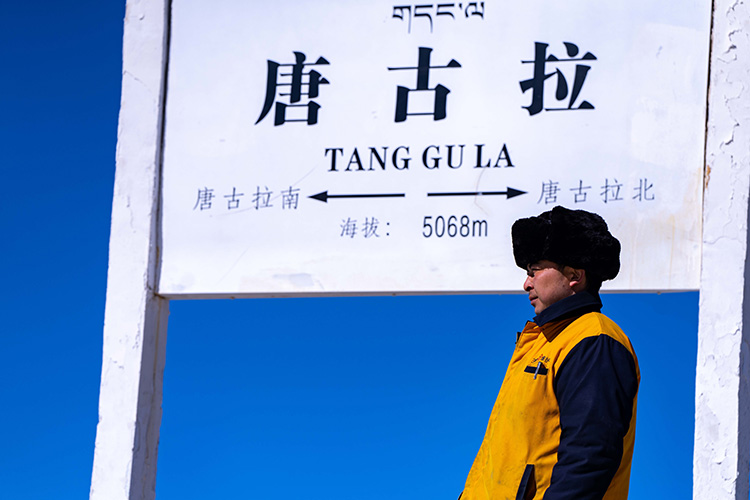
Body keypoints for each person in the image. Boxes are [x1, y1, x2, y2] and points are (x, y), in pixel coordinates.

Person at [459, 206, 640, 500]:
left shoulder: (594, 340)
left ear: (574, 275)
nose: (526, 283)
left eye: (535, 270)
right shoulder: (540, 343)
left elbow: (588, 457)